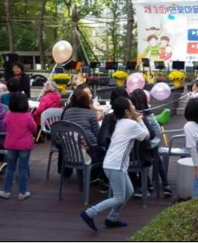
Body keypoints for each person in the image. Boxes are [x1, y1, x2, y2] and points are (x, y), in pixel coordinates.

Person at [80, 97, 149, 231]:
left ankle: (112, 218)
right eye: (131, 105)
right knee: (118, 197)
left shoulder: (121, 122)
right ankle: (90, 213)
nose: (134, 106)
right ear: (126, 111)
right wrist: (140, 120)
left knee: (129, 191)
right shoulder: (131, 124)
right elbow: (146, 135)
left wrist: (135, 118)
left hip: (113, 164)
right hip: (115, 165)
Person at [0, 92, 36, 200]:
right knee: (23, 168)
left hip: (11, 144)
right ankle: (22, 192)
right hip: (25, 145)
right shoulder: (28, 115)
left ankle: (6, 191)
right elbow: (33, 128)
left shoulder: (8, 114)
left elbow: (5, 125)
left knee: (10, 167)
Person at [60, 86, 104, 175]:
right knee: (105, 151)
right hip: (89, 148)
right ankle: (97, 178)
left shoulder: (67, 112)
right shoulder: (90, 113)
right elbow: (97, 134)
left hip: (70, 150)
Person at [129, 89, 160, 197]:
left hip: (126, 156)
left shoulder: (123, 119)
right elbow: (154, 133)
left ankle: (136, 185)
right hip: (144, 155)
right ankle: (154, 184)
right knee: (154, 155)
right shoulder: (147, 115)